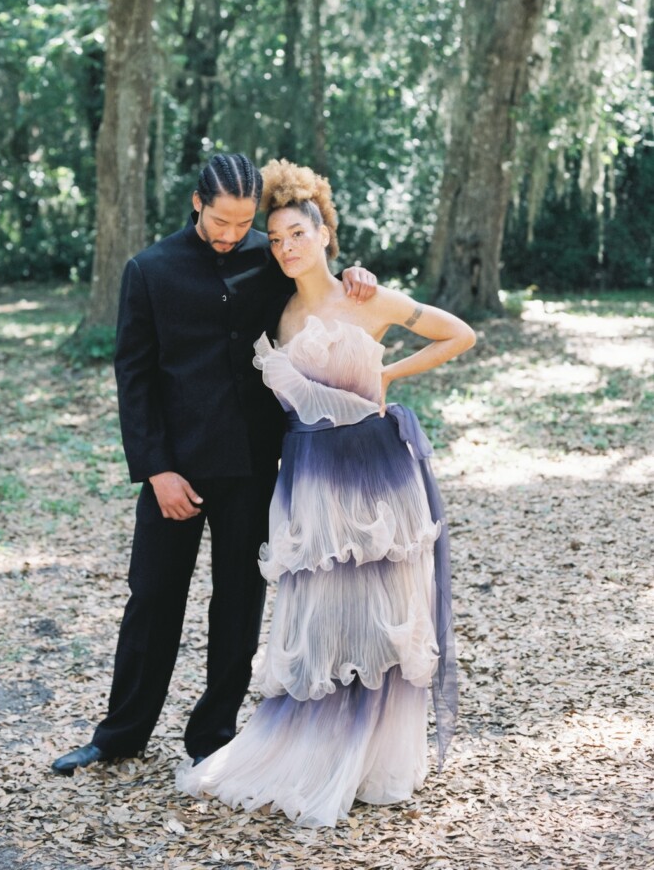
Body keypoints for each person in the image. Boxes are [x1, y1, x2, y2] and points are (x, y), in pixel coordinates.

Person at [51, 153, 376, 776]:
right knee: (151, 598)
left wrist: (358, 275)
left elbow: (322, 287)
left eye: (243, 223)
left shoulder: (272, 256)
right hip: (175, 467)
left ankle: (214, 735)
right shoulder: (148, 270)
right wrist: (156, 469)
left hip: (253, 465)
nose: (234, 236)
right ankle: (119, 734)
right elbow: (135, 376)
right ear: (197, 204)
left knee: (237, 601)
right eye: (222, 222)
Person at [178, 158, 476, 827]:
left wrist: (385, 372)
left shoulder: (364, 298)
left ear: (323, 233)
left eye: (297, 234)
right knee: (320, 619)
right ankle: (317, 745)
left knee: (383, 616)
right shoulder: (273, 312)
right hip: (310, 479)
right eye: (276, 238)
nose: (285, 247)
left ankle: (373, 757)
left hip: (377, 474)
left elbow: (459, 333)